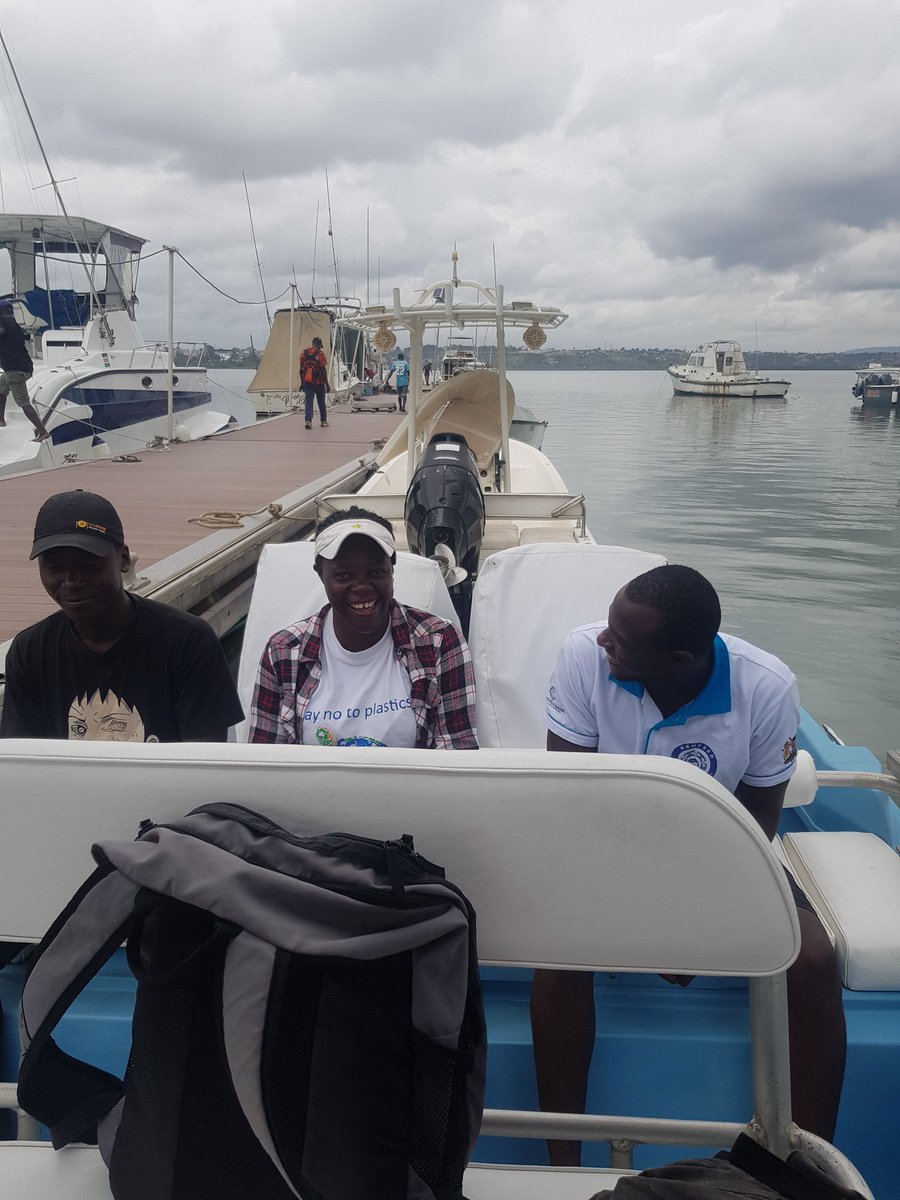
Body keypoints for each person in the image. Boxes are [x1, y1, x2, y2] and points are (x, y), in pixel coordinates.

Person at [531, 564, 845, 1160]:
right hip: (604, 843)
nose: (604, 642)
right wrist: (652, 914)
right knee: (560, 952)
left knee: (811, 957)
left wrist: (694, 918)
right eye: (609, 626)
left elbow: (758, 826)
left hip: (721, 849)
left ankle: (805, 1166)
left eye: (621, 641)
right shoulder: (582, 656)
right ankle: (562, 1164)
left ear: (677, 659)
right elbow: (569, 797)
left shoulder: (766, 687)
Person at [0, 489, 244, 743]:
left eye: (88, 564)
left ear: (124, 559)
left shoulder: (189, 642)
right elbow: (25, 756)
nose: (71, 580)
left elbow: (203, 763)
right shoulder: (29, 652)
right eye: (54, 567)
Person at [249, 506, 478, 748]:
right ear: (320, 575)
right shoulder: (283, 652)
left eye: (376, 571)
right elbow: (267, 766)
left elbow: (457, 754)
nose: (361, 587)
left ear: (392, 569)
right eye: (343, 576)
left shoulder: (438, 641)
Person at [0, 298, 50, 442]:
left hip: (15, 371)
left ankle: (42, 431)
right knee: (1, 386)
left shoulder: (3, 322)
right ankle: (1, 420)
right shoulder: (15, 324)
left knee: (23, 402)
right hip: (25, 367)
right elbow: (26, 336)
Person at [299, 335, 328, 430]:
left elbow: (301, 370)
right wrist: (327, 384)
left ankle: (308, 421)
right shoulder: (320, 354)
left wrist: (302, 383)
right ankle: (323, 421)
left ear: (312, 344)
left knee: (309, 402)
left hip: (307, 382)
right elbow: (323, 370)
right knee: (321, 403)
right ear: (319, 345)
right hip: (319, 382)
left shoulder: (304, 353)